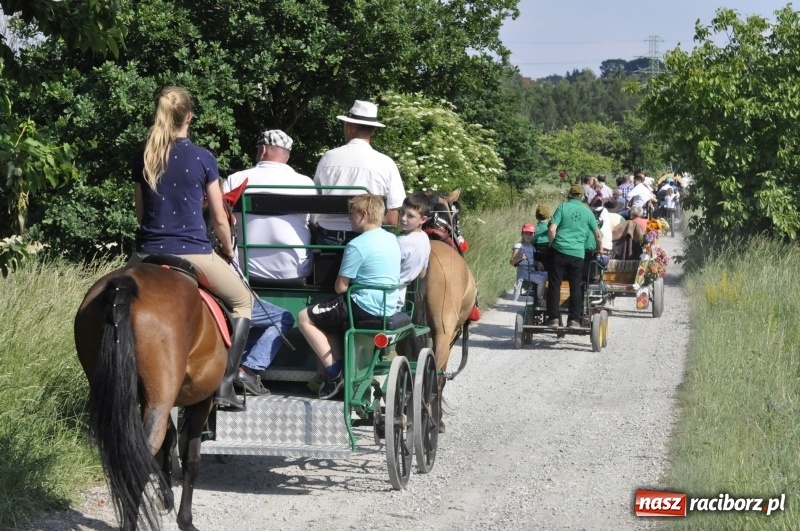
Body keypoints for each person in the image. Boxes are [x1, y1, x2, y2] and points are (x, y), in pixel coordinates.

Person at [130, 86, 252, 411]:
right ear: (189, 116)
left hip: (145, 253)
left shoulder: (145, 154)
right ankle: (226, 383)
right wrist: (227, 249)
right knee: (243, 302)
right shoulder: (202, 157)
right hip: (194, 253)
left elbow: (141, 214)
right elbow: (218, 217)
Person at [297, 194, 401, 399]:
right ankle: (336, 369)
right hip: (387, 304)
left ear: (363, 215)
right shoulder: (392, 238)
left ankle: (334, 373)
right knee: (329, 320)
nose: (349, 219)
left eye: (352, 215)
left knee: (304, 318)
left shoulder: (357, 245)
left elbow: (341, 287)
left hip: (363, 305)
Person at [223, 129, 314, 281]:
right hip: (294, 270)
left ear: (263, 149)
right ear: (288, 154)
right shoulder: (306, 183)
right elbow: (314, 222)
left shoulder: (236, 179)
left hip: (246, 269)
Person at [313, 100, 406, 244]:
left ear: (349, 127)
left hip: (328, 239)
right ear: (373, 130)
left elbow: (314, 201)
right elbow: (392, 218)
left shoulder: (328, 157)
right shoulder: (386, 163)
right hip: (369, 240)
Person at [545, 184, 602, 329]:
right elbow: (597, 234)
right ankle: (574, 320)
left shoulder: (562, 207)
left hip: (559, 251)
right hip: (578, 254)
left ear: (569, 195)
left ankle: (554, 318)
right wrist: (599, 248)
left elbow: (552, 229)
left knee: (554, 285)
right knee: (575, 286)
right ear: (582, 197)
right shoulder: (587, 211)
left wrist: (551, 243)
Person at [234, 298, 295, 396]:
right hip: (233, 298)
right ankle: (249, 371)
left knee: (264, 321)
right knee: (285, 318)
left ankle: (236, 364)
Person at [396, 192, 431, 311]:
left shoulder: (399, 242)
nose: (403, 218)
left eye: (410, 216)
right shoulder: (425, 238)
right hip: (400, 297)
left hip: (384, 297)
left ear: (423, 219)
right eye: (402, 212)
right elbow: (422, 273)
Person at [510, 223, 546, 302]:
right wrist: (520, 258)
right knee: (541, 280)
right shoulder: (519, 246)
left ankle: (546, 296)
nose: (528, 235)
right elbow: (512, 261)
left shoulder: (532, 247)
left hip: (531, 271)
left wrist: (537, 263)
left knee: (549, 275)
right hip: (524, 273)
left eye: (531, 233)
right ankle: (540, 300)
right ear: (522, 234)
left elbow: (530, 260)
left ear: (534, 235)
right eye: (526, 233)